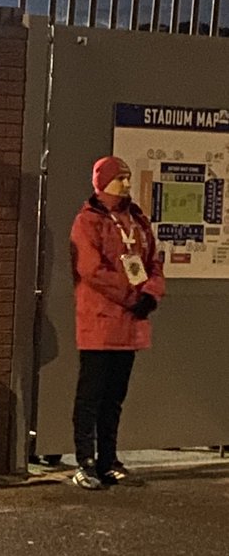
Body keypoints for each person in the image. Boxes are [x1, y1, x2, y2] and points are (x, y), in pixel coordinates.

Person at [69, 156, 165, 489]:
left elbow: (154, 262)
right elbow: (91, 270)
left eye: (127, 177)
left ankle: (109, 459)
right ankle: (85, 461)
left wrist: (151, 293)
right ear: (102, 182)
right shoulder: (88, 221)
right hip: (99, 323)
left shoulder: (137, 219)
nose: (126, 183)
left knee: (114, 398)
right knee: (91, 396)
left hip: (130, 323)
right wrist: (131, 295)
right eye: (119, 178)